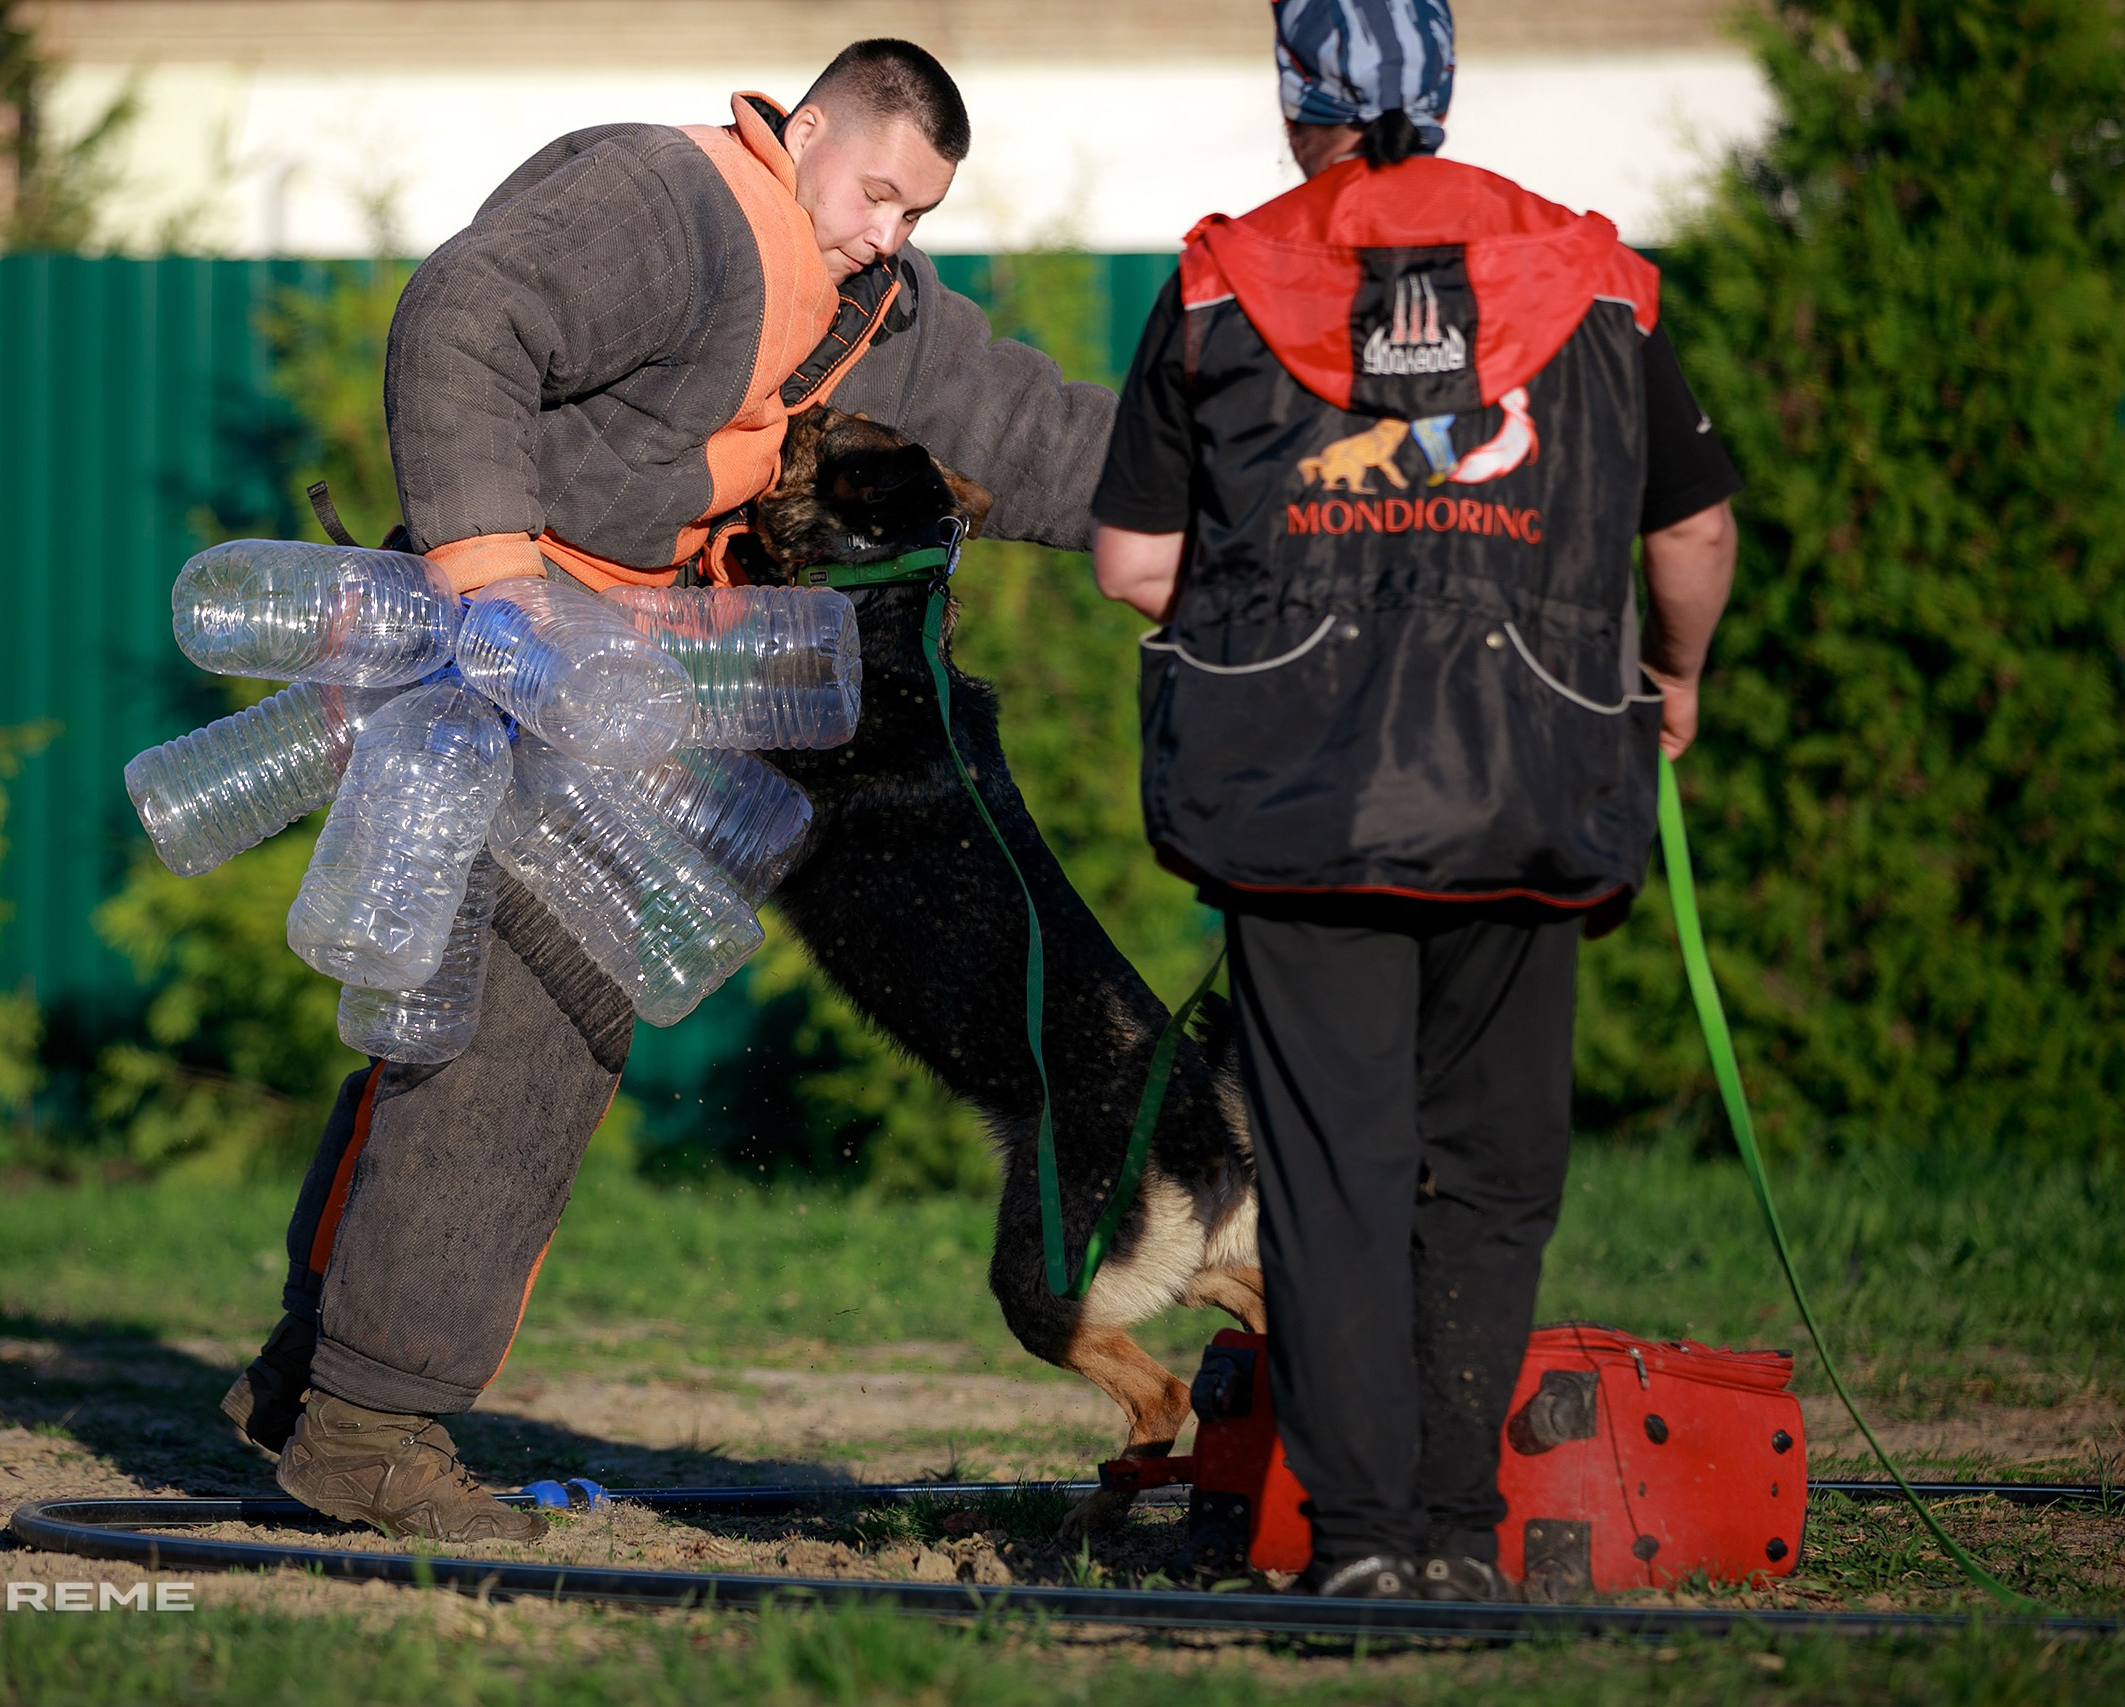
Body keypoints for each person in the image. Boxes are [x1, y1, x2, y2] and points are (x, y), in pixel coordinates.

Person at [220, 39, 1115, 1544]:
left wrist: (1254, 494)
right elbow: (462, 316)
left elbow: (1030, 433)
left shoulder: (868, 306)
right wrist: (496, 580)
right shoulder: (669, 201)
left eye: (920, 211)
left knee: (449, 1025)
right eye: (878, 190)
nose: (890, 231)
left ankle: (309, 1386)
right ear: (808, 128)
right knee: (527, 1019)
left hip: (606, 696)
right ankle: (365, 1435)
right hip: (487, 660)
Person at [1089, 0, 1739, 1600]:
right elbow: (1694, 532)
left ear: (1298, 96)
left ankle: (1362, 1550)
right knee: (1494, 1178)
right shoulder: (1594, 278)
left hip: (1295, 811)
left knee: (1333, 1178)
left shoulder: (1219, 284)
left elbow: (1133, 566)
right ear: (1441, 93)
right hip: (1532, 796)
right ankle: (1460, 1543)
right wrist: (1679, 677)